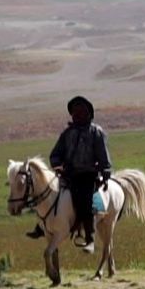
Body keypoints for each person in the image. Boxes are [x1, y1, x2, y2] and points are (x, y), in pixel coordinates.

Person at [26, 96, 112, 254]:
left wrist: (105, 169)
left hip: (88, 175)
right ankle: (41, 226)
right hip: (68, 174)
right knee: (47, 195)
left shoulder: (96, 132)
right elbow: (55, 154)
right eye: (75, 111)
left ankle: (90, 239)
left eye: (81, 111)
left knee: (85, 202)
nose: (77, 114)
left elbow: (103, 156)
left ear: (88, 113)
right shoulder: (67, 134)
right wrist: (57, 166)